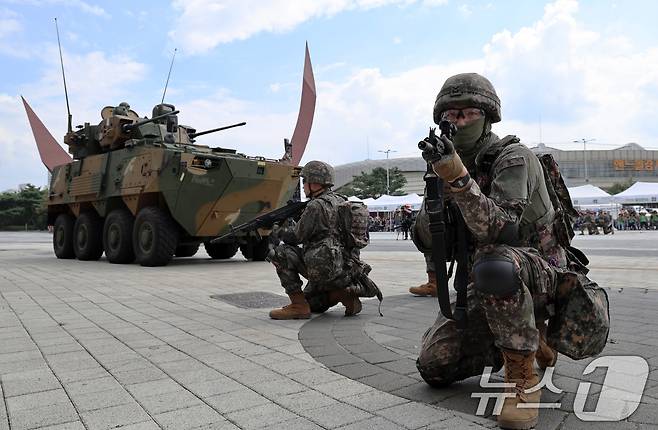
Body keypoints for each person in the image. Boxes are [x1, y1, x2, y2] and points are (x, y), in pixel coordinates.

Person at [412, 73, 608, 430]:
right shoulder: (446, 164)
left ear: (488, 115)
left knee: (494, 263)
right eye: (450, 115)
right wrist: (436, 188)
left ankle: (522, 378)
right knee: (434, 366)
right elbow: (425, 239)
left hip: (540, 271)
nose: (457, 121)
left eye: (467, 112)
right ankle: (528, 337)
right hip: (491, 281)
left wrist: (456, 177)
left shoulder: (513, 158)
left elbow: (500, 229)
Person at [268, 160, 377, 319]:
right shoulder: (342, 200)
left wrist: (279, 230)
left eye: (305, 181)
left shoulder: (316, 206)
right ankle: (344, 295)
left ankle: (298, 306)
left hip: (325, 269)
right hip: (347, 269)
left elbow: (295, 237)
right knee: (314, 303)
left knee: (280, 252)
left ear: (314, 183)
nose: (303, 185)